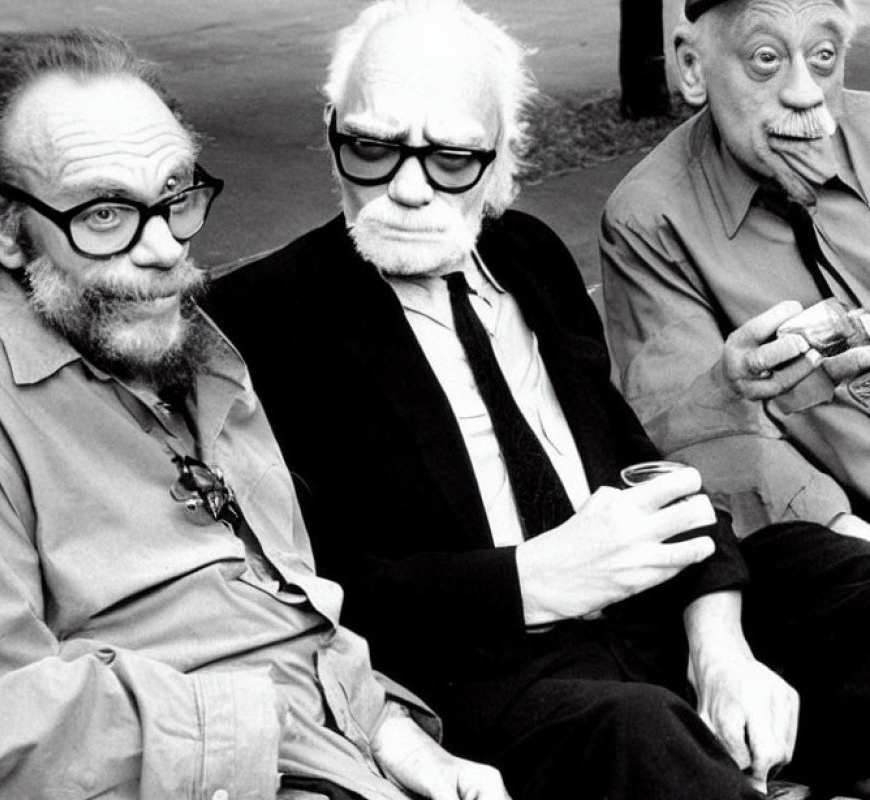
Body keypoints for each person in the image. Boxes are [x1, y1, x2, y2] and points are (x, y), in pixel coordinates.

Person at [208, 1, 870, 797]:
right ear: (330, 131)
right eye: (372, 148)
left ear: (500, 157)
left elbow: (642, 466)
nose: (408, 188)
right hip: (485, 667)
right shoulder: (261, 316)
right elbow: (304, 586)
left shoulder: (528, 254)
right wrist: (530, 577)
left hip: (646, 613)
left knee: (834, 576)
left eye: (450, 157)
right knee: (638, 733)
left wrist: (719, 642)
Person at [0, 29, 512, 800]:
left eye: (175, 197)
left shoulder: (202, 355)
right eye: (106, 214)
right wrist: (275, 729)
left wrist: (402, 742)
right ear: (8, 226)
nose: (164, 249)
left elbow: (288, 615)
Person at [601, 0, 870, 539]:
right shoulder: (650, 219)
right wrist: (843, 532)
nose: (805, 93)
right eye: (766, 58)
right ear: (693, 68)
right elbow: (698, 430)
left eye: (823, 56)